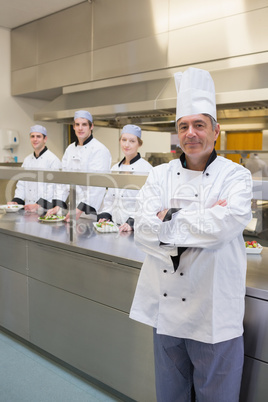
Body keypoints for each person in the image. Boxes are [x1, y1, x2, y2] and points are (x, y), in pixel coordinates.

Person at [129, 67, 252, 402]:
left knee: (218, 396)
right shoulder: (159, 175)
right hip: (165, 311)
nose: (191, 133)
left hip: (213, 310)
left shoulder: (236, 176)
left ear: (215, 130)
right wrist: (202, 217)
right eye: (183, 126)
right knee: (171, 396)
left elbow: (223, 228)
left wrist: (167, 219)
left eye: (199, 124)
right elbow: (143, 229)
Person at [47, 110, 111, 221]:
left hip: (90, 212)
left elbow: (97, 184)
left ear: (91, 127)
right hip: (72, 210)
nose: (80, 128)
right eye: (77, 124)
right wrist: (58, 205)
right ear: (74, 127)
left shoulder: (99, 150)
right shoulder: (70, 149)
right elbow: (64, 179)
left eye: (84, 124)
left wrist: (79, 209)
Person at [97, 124, 152, 232]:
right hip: (115, 227)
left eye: (132, 141)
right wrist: (106, 215)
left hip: (136, 229)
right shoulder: (115, 168)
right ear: (120, 141)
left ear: (139, 144)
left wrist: (132, 222)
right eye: (124, 140)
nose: (127, 144)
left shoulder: (147, 169)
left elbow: (148, 203)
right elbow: (109, 199)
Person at [8, 125, 61, 212]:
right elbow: (21, 183)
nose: (35, 139)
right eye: (32, 136)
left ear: (45, 139)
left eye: (38, 136)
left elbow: (53, 187)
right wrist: (16, 201)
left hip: (46, 210)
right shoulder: (27, 160)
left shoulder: (53, 160)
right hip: (28, 209)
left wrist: (38, 205)